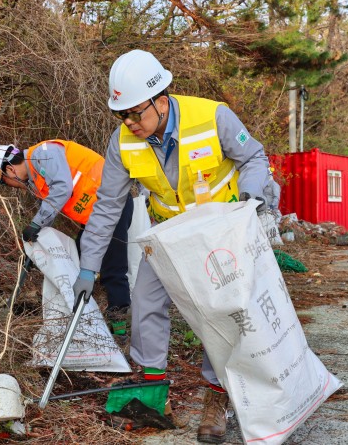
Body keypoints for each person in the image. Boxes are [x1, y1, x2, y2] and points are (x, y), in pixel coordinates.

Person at [73, 49, 270, 443]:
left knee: (219, 313)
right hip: (169, 232)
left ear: (161, 100)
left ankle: (217, 396)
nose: (128, 122)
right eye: (121, 115)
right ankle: (153, 390)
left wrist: (252, 199)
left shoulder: (213, 117)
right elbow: (107, 206)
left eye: (134, 113)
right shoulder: (122, 142)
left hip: (219, 230)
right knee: (144, 299)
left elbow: (254, 158)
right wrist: (87, 267)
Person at [0, 140, 134, 329]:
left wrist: (35, 224)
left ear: (9, 170)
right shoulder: (35, 176)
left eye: (4, 182)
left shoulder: (43, 154)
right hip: (96, 217)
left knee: (112, 267)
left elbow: (62, 189)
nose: (9, 186)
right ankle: (84, 315)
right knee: (80, 259)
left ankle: (120, 328)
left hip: (114, 204)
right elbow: (50, 209)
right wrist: (36, 242)